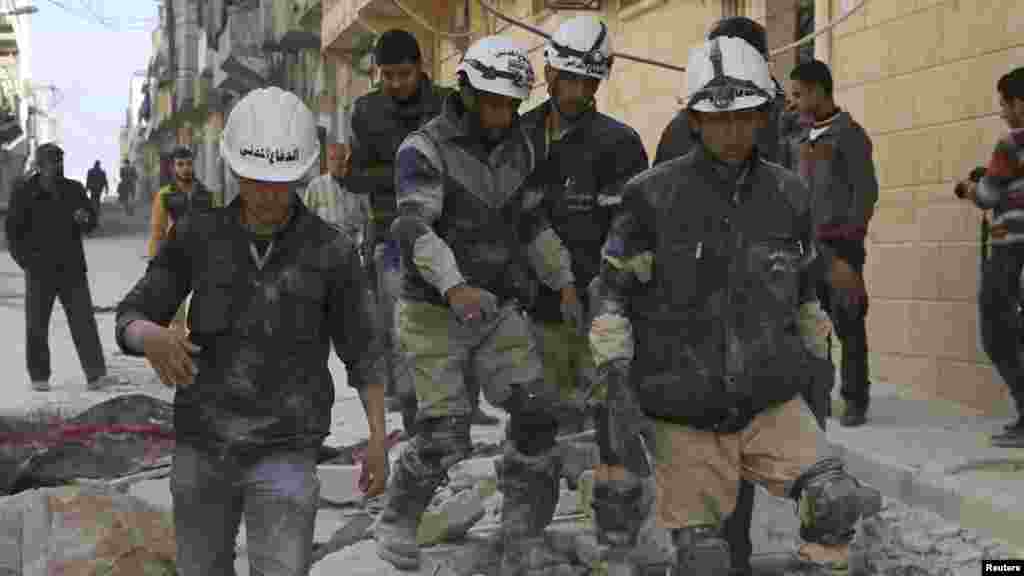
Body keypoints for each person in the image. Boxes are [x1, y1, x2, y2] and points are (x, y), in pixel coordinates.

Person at [587, 36, 881, 575]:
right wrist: (614, 379)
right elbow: (612, 294)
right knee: (704, 558)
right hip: (683, 407)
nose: (731, 131)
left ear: (764, 116)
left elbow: (804, 296)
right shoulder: (650, 197)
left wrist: (820, 373)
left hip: (769, 399)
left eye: (745, 116)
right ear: (694, 119)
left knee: (835, 497)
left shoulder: (790, 194)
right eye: (716, 118)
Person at [114, 86, 389, 575]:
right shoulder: (198, 235)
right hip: (203, 447)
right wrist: (150, 336)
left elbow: (363, 350)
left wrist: (376, 436)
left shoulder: (332, 252)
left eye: (280, 182)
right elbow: (131, 314)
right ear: (236, 170)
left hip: (287, 450)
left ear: (303, 173)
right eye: (256, 179)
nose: (268, 194)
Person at [374, 35, 580, 573]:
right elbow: (414, 227)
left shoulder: (524, 148)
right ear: (464, 91)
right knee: (444, 435)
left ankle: (522, 534)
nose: (500, 114)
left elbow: (533, 222)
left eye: (511, 104)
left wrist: (563, 282)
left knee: (536, 414)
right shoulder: (424, 149)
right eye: (491, 101)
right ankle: (397, 517)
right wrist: (454, 286)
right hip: (432, 312)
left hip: (497, 307)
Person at [647, 18, 834, 574]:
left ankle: (739, 552)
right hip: (711, 320)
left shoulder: (777, 120)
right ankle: (728, 554)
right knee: (721, 448)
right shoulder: (696, 133)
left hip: (769, 312)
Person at [347, 29, 492, 430]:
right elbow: (357, 176)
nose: (395, 84)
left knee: (464, 313)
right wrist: (404, 174)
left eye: (403, 75)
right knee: (403, 327)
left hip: (451, 232)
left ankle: (467, 402)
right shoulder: (365, 112)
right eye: (387, 75)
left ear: (420, 69)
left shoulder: (450, 104)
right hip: (393, 237)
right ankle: (414, 411)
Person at [520, 14, 649, 437]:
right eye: (570, 79)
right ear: (549, 72)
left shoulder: (620, 144)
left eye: (589, 83)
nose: (578, 92)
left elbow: (630, 231)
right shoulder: (519, 137)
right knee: (541, 421)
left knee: (603, 423)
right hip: (536, 307)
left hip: (601, 307)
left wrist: (604, 292)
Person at [788, 59, 879, 427]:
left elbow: (865, 194)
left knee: (849, 323)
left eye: (797, 95)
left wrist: (847, 248)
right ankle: (818, 398)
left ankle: (855, 399)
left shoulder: (849, 135)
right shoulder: (795, 137)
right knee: (813, 326)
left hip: (841, 250)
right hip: (806, 250)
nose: (792, 102)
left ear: (818, 91)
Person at [6, 143, 118, 392]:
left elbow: (91, 223)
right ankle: (39, 376)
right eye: (51, 162)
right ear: (39, 165)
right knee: (36, 324)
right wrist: (26, 263)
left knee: (83, 322)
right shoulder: (24, 192)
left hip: (71, 268)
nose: (56, 167)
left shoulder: (74, 189)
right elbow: (13, 233)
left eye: (59, 162)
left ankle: (95, 375)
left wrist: (85, 219)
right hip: (39, 269)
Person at [955, 66, 1024, 447]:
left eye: (1004, 103)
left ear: (1019, 103)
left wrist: (968, 187)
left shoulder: (1011, 143)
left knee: (997, 331)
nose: (1002, 112)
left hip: (1011, 248)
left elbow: (988, 196)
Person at [147, 146, 219, 259]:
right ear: (173, 168)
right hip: (175, 254)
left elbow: (217, 228)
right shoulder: (164, 195)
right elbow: (158, 232)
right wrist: (153, 259)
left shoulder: (207, 194)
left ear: (193, 165)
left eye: (189, 163)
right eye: (180, 164)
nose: (185, 168)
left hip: (203, 254)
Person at [303, 142, 368, 245]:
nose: (337, 163)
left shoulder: (360, 185)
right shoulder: (315, 186)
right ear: (327, 162)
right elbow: (305, 222)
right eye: (333, 159)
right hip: (325, 244)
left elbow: (368, 219)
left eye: (342, 158)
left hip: (354, 243)